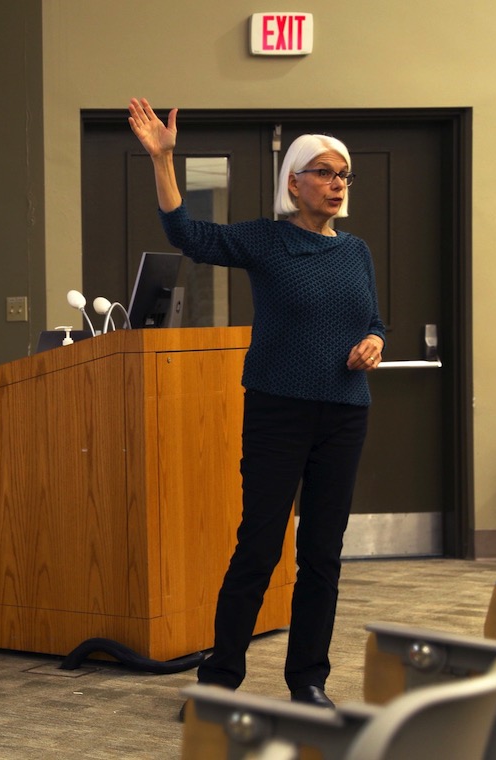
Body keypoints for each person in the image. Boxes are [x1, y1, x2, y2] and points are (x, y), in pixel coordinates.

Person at [128, 97, 385, 709]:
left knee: (323, 552)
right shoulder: (266, 242)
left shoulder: (356, 253)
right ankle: (220, 682)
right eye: (323, 172)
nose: (336, 183)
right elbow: (185, 234)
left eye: (342, 174)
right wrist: (164, 162)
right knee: (261, 545)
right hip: (278, 409)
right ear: (293, 182)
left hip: (346, 411)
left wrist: (375, 340)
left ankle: (309, 682)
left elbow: (373, 319)